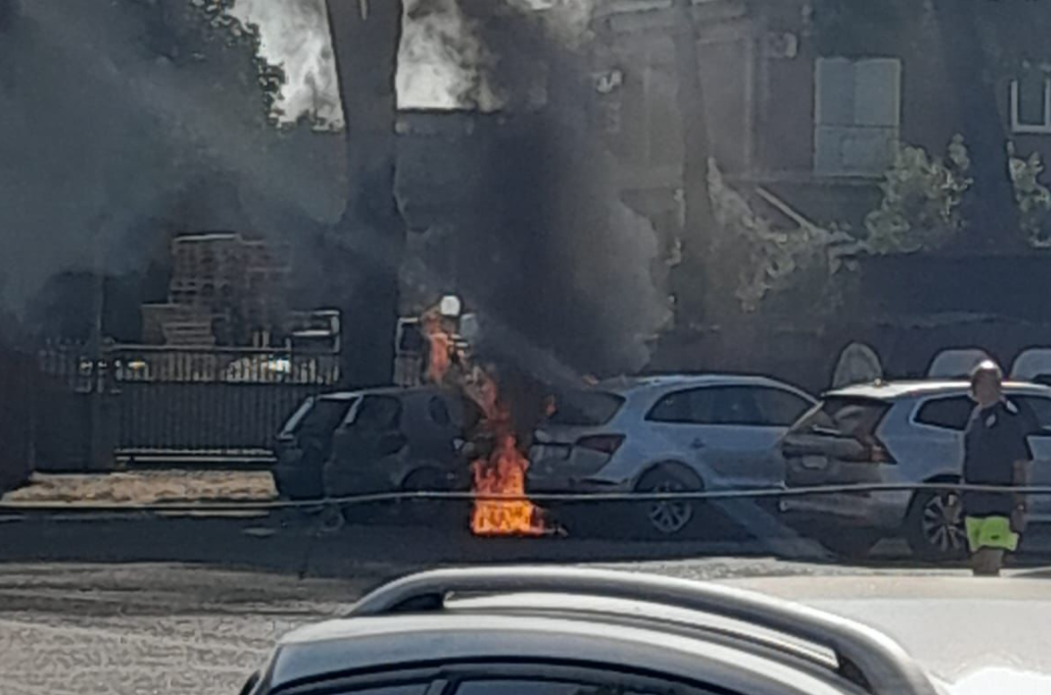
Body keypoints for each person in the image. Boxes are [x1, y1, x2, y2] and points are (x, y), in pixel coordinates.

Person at [962, 360, 1032, 576]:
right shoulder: (974, 419)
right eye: (981, 384)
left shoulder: (1009, 421)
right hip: (973, 502)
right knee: (977, 565)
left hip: (999, 502)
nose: (985, 390)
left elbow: (1020, 462)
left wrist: (1019, 502)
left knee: (989, 560)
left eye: (991, 384)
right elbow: (968, 460)